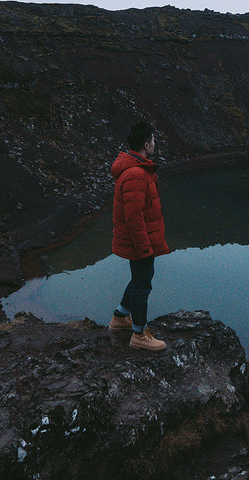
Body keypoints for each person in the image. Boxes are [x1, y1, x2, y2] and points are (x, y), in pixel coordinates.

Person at [108, 121, 170, 351]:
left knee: (140, 278)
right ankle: (139, 334)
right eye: (153, 140)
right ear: (146, 145)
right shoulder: (136, 174)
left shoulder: (138, 168)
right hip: (140, 242)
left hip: (140, 241)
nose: (155, 144)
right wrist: (145, 248)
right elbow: (134, 217)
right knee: (143, 285)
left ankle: (120, 317)